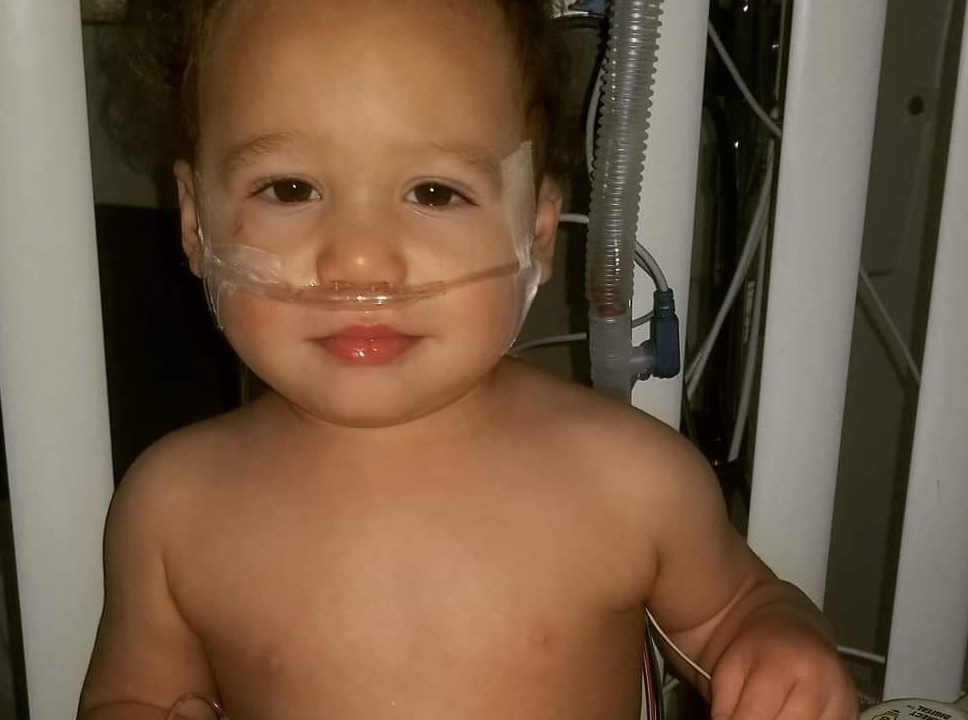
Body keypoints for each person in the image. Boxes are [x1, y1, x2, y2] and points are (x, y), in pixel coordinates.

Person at [79, 2, 857, 719]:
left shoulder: (629, 479)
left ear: (536, 233)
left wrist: (775, 646)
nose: (360, 262)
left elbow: (736, 613)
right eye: (288, 188)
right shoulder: (174, 510)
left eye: (434, 193)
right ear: (195, 223)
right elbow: (132, 696)